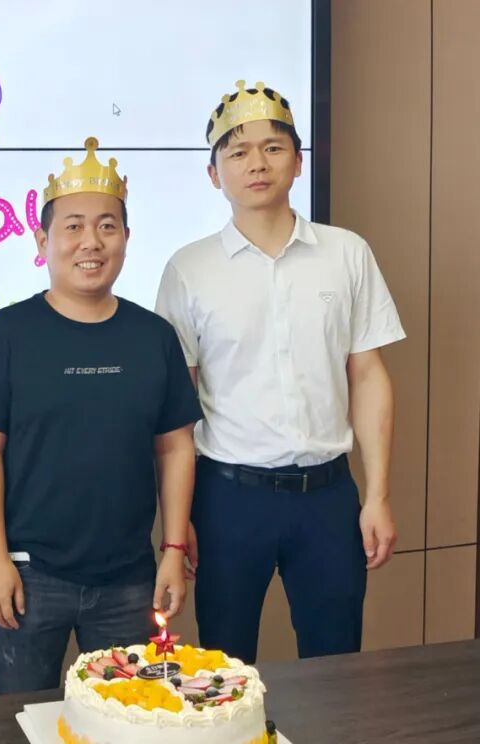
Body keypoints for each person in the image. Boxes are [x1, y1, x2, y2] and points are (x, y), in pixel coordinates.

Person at [155, 80, 404, 663]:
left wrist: (378, 495)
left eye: (273, 148)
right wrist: (177, 524)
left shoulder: (346, 253)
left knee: (336, 664)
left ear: (298, 161)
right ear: (214, 174)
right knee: (223, 667)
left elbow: (368, 376)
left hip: (328, 495)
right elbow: (176, 412)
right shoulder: (189, 269)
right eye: (238, 152)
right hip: (227, 498)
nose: (257, 164)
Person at [0, 138, 203, 694]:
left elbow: (175, 447)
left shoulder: (153, 337)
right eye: (73, 227)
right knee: (22, 719)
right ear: (42, 240)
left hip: (129, 579)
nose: (91, 241)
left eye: (107, 226)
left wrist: (173, 551)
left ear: (126, 238)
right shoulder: (6, 334)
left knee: (129, 716)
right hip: (29, 574)